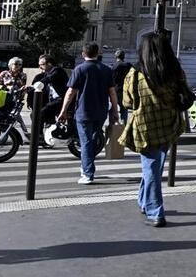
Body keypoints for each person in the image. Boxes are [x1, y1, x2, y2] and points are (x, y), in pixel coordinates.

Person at [119, 33, 186, 227]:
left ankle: (156, 212)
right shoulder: (175, 71)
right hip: (169, 124)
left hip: (146, 127)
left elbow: (127, 102)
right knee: (153, 167)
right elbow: (183, 94)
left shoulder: (135, 74)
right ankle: (143, 201)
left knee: (151, 169)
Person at [59, 44, 119, 185]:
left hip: (83, 111)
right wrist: (115, 110)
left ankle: (87, 173)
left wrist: (63, 111)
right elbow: (112, 92)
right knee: (92, 141)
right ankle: (87, 167)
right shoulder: (106, 69)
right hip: (101, 111)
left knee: (85, 142)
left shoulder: (80, 69)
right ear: (98, 53)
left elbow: (70, 92)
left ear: (83, 53)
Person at [31, 54, 68, 146]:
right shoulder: (47, 72)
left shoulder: (58, 71)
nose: (40, 66)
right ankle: (49, 135)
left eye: (42, 64)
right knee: (42, 116)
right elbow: (42, 79)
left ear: (49, 64)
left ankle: (40, 137)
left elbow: (48, 79)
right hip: (53, 101)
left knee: (36, 114)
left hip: (61, 100)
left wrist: (36, 85)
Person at [112, 49, 132, 124]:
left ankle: (114, 125)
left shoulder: (114, 66)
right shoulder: (128, 65)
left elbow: (112, 80)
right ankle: (124, 125)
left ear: (116, 56)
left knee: (113, 108)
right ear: (124, 56)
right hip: (126, 90)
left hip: (116, 91)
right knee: (124, 109)